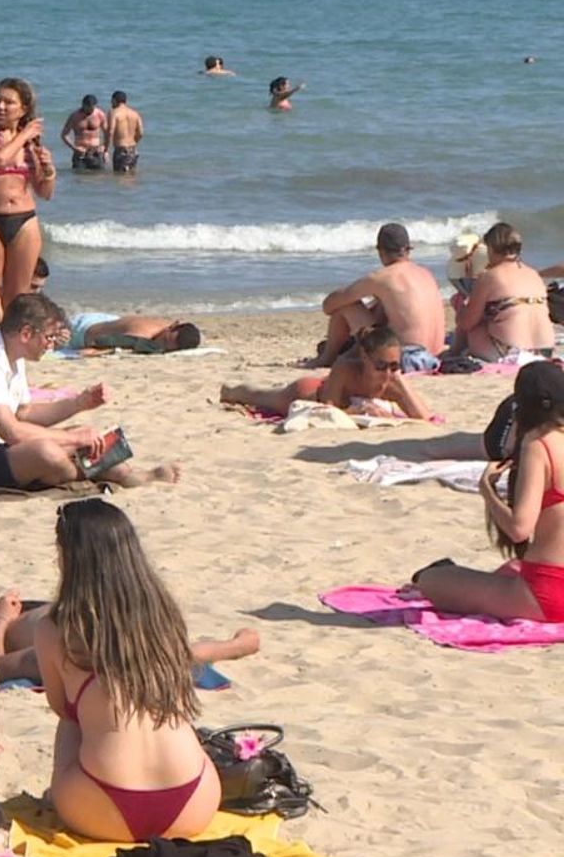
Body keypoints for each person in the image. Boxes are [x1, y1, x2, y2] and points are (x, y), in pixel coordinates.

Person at [33, 498, 222, 841]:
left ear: (69, 557)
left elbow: (60, 707)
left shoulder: (55, 629)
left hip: (103, 803)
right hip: (194, 801)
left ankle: (65, 792)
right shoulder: (163, 617)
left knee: (72, 719)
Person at [0, 292, 180, 491]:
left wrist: (79, 403)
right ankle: (99, 472)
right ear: (26, 333)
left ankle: (125, 474)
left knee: (77, 437)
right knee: (47, 451)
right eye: (49, 337)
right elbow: (12, 431)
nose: (52, 345)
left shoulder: (12, 356)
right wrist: (73, 439)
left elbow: (24, 413)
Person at [414, 361, 564, 622]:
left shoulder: (539, 444)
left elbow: (520, 529)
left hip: (547, 593)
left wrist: (487, 490)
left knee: (429, 580)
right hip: (550, 582)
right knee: (508, 570)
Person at [0, 589, 258, 684]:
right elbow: (194, 652)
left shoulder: (60, 652)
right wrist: (238, 645)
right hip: (52, 614)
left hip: (4, 626)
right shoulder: (144, 650)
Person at [0, 78, 57, 340]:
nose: (1, 107)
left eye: (8, 102)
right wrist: (25, 134)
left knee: (16, 305)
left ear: (23, 109)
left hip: (25, 222)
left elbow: (45, 192)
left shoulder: (30, 144)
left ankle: (10, 358)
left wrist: (49, 170)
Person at [307, 223, 444, 371]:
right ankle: (339, 355)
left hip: (405, 358)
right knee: (379, 307)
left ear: (381, 251)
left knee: (346, 306)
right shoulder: (425, 273)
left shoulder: (383, 277)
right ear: (408, 250)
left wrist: (350, 299)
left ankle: (326, 359)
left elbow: (328, 306)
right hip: (434, 357)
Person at [221, 324, 433, 419]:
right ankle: (230, 390)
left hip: (329, 389)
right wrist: (359, 411)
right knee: (259, 396)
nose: (387, 373)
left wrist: (401, 382)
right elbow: (327, 410)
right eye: (380, 366)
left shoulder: (392, 379)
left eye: (394, 366)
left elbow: (425, 418)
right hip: (310, 394)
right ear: (364, 357)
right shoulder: (345, 367)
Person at [457, 223, 553, 362]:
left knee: (474, 326)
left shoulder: (489, 276)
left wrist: (461, 305)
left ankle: (453, 352)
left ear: (491, 248)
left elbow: (467, 322)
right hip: (545, 351)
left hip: (510, 353)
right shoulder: (533, 274)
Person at [65, 314, 202, 353]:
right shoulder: (142, 335)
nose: (162, 345)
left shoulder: (170, 325)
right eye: (164, 340)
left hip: (108, 320)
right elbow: (100, 342)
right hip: (82, 330)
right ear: (171, 328)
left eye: (168, 347)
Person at [60, 95, 108, 171]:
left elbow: (107, 133)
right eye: (88, 108)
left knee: (99, 176)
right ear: (83, 105)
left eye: (92, 108)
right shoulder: (74, 116)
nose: (90, 111)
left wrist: (105, 149)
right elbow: (64, 135)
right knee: (79, 176)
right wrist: (74, 148)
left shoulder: (100, 114)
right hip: (80, 152)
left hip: (96, 152)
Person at [107, 92, 143, 174]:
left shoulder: (114, 113)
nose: (111, 103)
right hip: (133, 150)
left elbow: (110, 131)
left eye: (111, 101)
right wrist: (134, 142)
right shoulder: (135, 113)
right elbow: (141, 133)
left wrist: (106, 149)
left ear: (114, 100)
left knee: (120, 177)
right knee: (131, 176)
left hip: (121, 150)